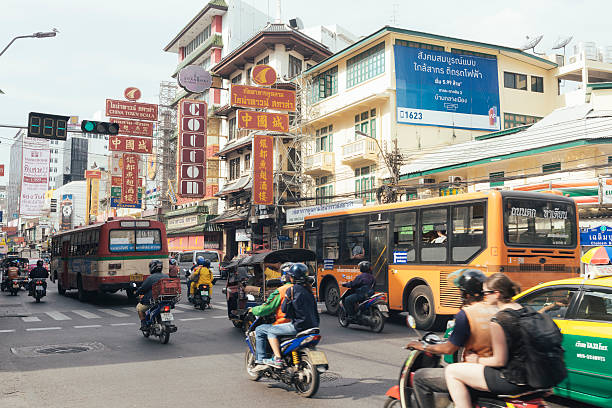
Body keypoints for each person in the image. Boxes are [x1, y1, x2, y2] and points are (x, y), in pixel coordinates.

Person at [406, 269, 497, 408]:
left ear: (465, 294)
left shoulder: (466, 314)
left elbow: (449, 349)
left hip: (476, 372)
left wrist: (422, 346)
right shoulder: (495, 309)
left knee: (420, 377)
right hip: (495, 371)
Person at [445, 273, 530, 408]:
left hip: (512, 379)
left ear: (496, 294)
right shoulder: (526, 311)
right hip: (534, 378)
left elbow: (499, 361)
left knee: (451, 371)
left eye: (485, 293)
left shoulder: (500, 319)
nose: (483, 297)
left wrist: (476, 360)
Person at [250, 266, 294, 369]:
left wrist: (253, 310)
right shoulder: (306, 288)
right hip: (308, 324)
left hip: (287, 324)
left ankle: (261, 361)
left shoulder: (282, 290)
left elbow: (267, 308)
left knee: (260, 329)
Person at [135, 260, 168, 330]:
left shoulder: (150, 278)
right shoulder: (166, 276)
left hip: (153, 300)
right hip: (166, 300)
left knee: (139, 308)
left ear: (152, 267)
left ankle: (143, 324)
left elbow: (143, 288)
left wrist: (137, 292)